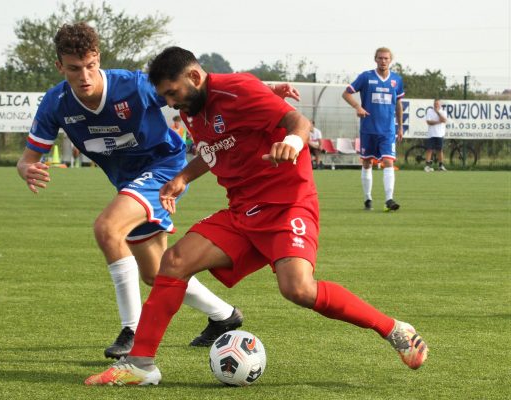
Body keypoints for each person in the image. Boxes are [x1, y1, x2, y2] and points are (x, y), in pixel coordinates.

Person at [84, 46, 428, 386]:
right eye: (166, 97)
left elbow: (298, 121)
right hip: (243, 210)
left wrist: (292, 142)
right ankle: (141, 364)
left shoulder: (237, 89)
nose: (171, 103)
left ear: (193, 75)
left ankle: (395, 329)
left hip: (287, 204)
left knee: (298, 289)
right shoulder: (192, 108)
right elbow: (214, 149)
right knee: (173, 261)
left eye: (173, 93)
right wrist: (182, 178)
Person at [16, 23, 249, 360]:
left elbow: (195, 88)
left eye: (90, 65)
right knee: (156, 274)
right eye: (74, 68)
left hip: (164, 169)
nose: (84, 76)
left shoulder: (134, 87)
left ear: (98, 58)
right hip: (129, 184)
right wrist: (26, 168)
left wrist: (260, 99)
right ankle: (225, 316)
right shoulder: (56, 103)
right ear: (59, 67)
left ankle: (133, 330)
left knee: (107, 228)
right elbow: (27, 159)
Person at [342, 47, 405, 212]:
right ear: (375, 59)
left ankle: (389, 199)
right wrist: (357, 106)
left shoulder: (396, 80)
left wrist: (399, 127)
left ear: (391, 60)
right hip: (368, 129)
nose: (383, 61)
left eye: (386, 58)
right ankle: (368, 198)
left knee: (388, 161)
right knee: (367, 162)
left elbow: (398, 104)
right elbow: (346, 93)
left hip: (387, 131)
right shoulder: (366, 77)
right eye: (380, 58)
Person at [424, 99, 447, 172]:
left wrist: (438, 112)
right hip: (431, 134)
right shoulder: (429, 111)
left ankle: (441, 166)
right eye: (435, 104)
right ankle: (427, 166)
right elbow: (428, 122)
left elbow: (444, 120)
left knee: (439, 150)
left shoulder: (443, 112)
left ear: (440, 104)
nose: (436, 105)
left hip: (440, 134)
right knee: (429, 149)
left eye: (437, 104)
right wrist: (438, 122)